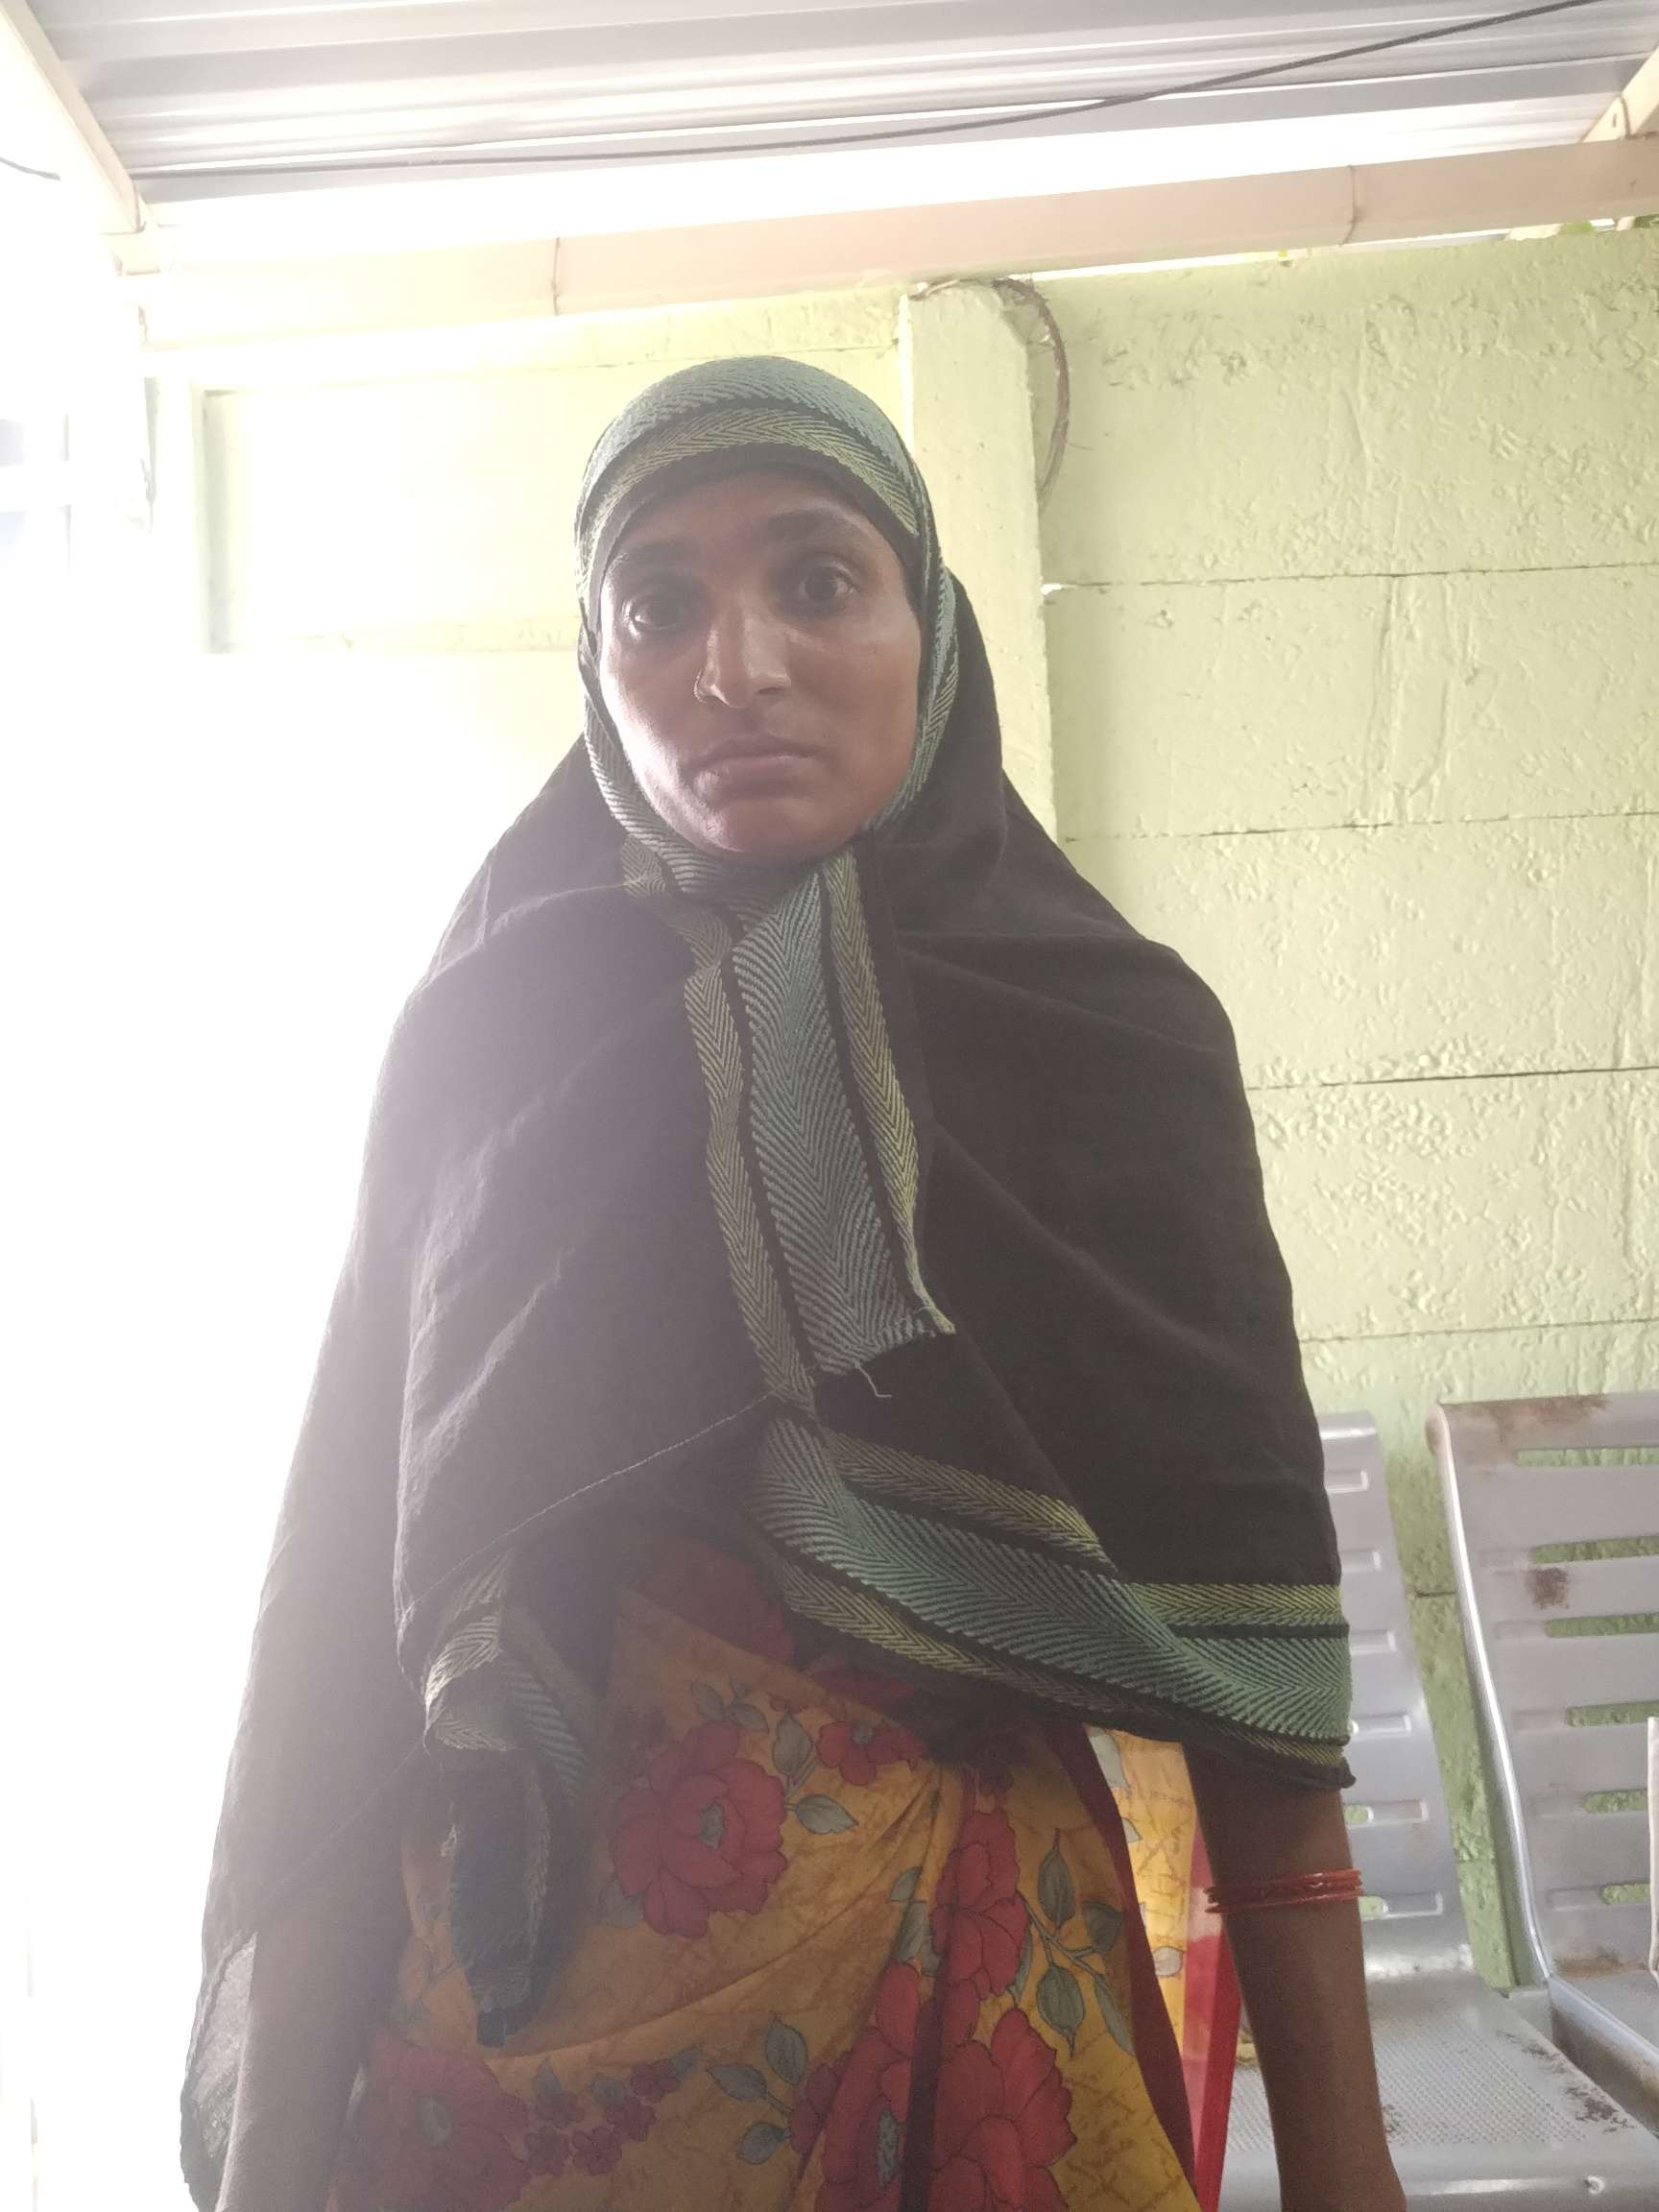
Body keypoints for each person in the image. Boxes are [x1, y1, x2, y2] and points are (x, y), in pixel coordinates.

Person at [185, 357, 1406, 2212]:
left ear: (933, 629)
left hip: (980, 2038)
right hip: (534, 2070)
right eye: (656, 606)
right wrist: (277, 2155)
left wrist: (1347, 2169)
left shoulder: (1116, 1052)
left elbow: (1259, 1665)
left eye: (819, 581)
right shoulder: (496, 1051)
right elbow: (356, 1599)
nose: (735, 665)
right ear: (593, 667)